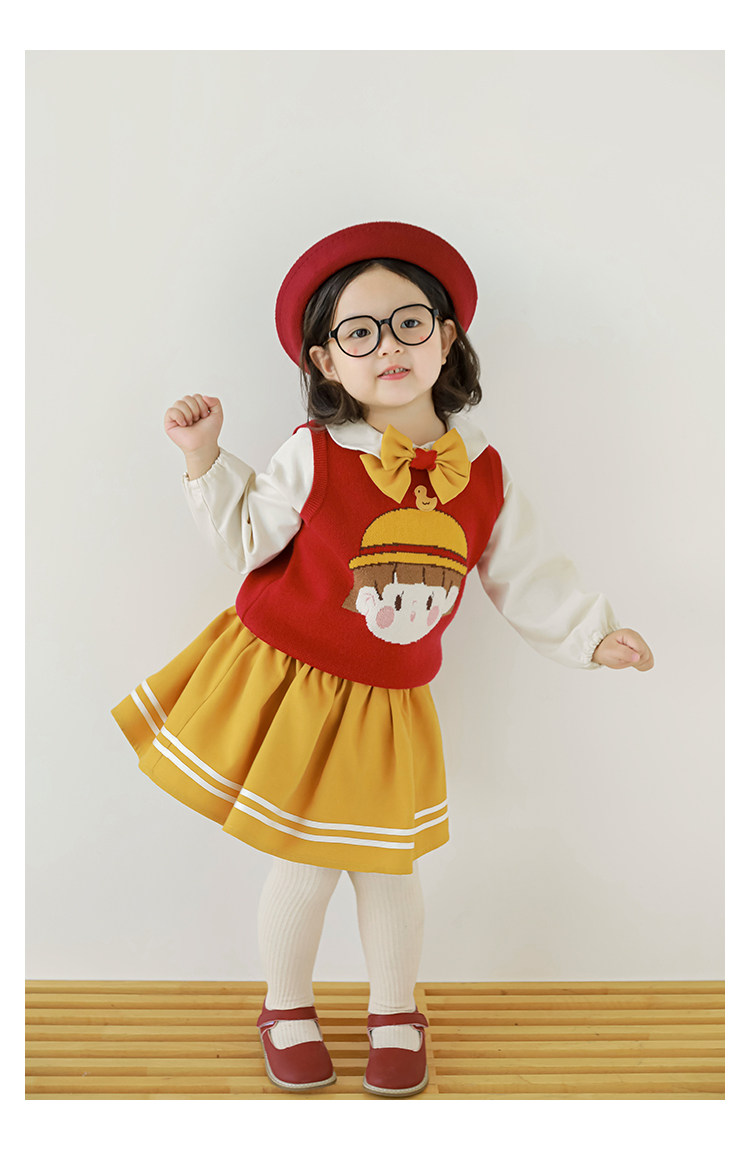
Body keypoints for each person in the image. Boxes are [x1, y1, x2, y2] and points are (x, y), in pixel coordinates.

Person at [112, 221, 654, 1098]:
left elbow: (524, 572)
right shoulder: (312, 451)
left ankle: (395, 1011)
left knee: (387, 861)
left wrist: (592, 635)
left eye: (408, 323)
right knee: (307, 858)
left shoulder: (484, 472)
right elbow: (248, 541)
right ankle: (286, 1007)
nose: (388, 347)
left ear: (447, 337)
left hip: (389, 701)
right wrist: (204, 458)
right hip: (292, 684)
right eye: (358, 333)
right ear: (327, 362)